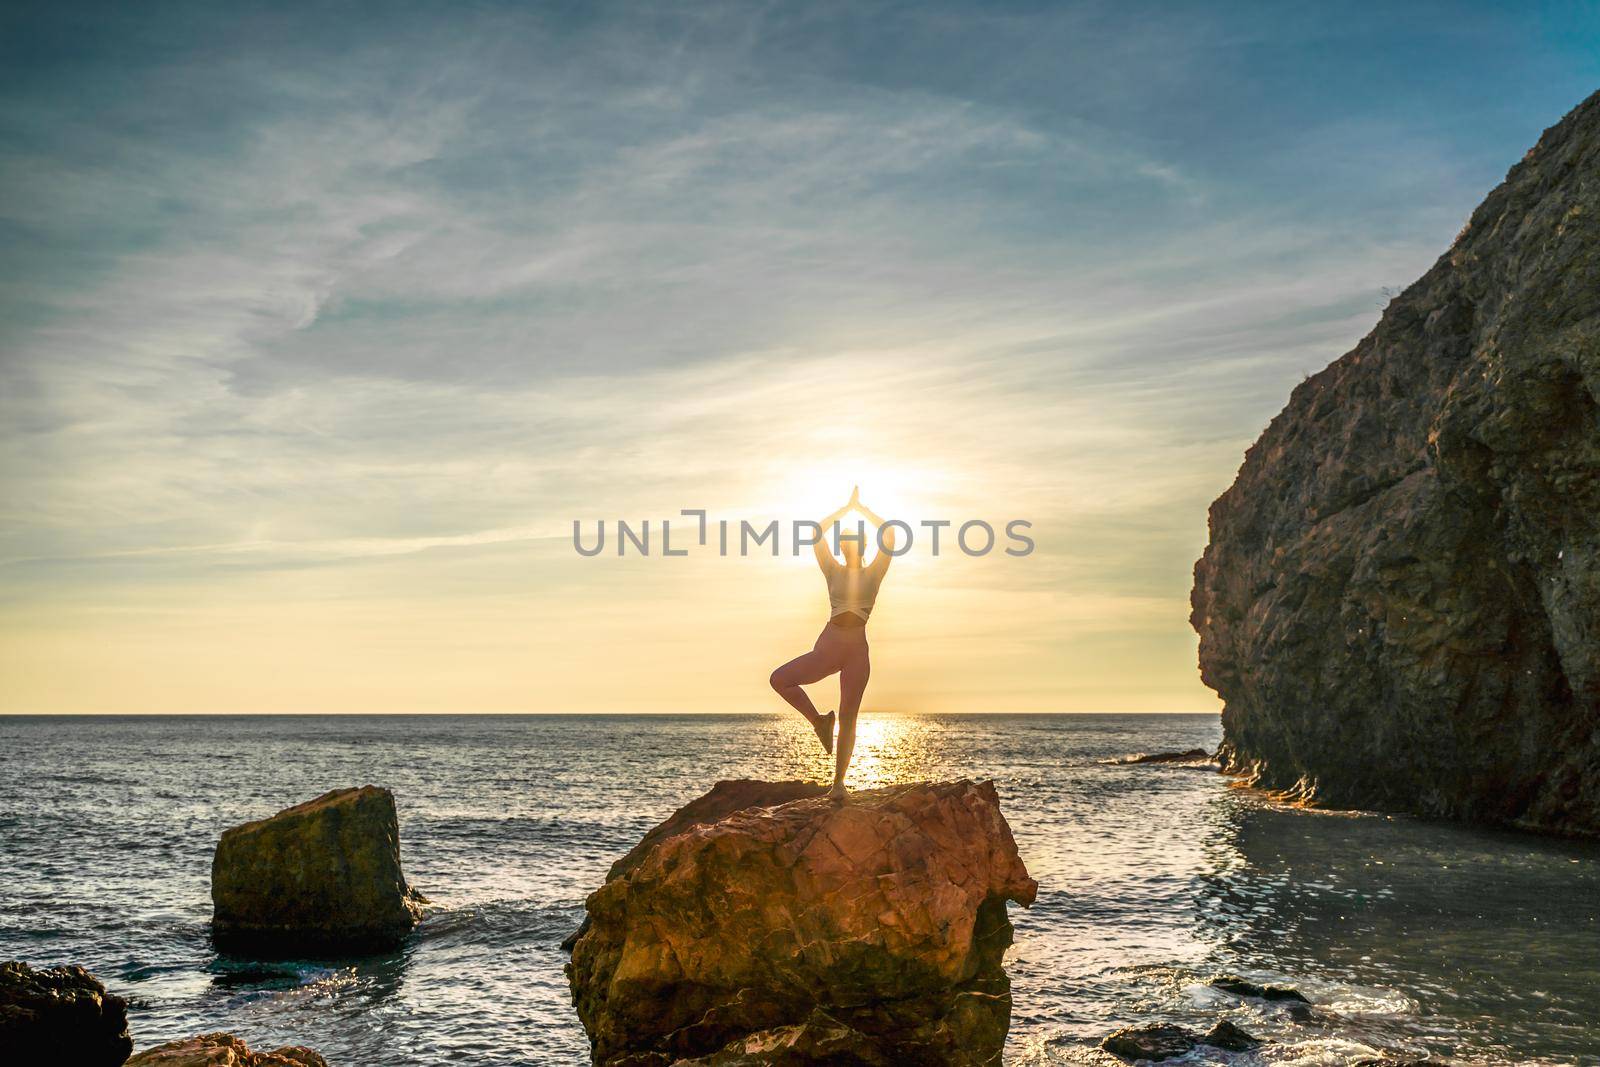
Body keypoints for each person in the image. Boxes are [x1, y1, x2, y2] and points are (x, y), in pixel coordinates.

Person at [768, 486, 895, 801]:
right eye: (845, 543)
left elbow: (890, 534)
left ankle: (838, 785)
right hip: (829, 646)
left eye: (854, 542)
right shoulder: (832, 570)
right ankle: (819, 721)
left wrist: (861, 509)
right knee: (779, 679)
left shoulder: (874, 572)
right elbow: (814, 533)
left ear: (862, 546)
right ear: (841, 547)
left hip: (857, 652)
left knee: (850, 717)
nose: (849, 546)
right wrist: (844, 509)